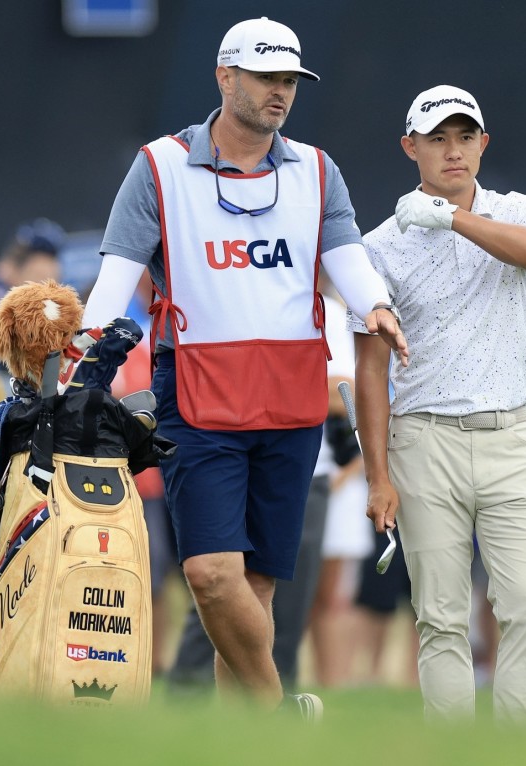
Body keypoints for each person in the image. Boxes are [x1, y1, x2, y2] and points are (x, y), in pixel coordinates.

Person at [81, 17, 407, 717]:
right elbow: (115, 277)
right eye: (265, 76)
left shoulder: (318, 169)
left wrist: (374, 304)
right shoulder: (161, 165)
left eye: (289, 79)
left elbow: (346, 256)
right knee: (208, 573)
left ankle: (250, 742)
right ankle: (281, 712)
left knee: (256, 584)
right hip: (195, 392)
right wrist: (85, 360)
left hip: (292, 396)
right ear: (225, 76)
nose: (280, 92)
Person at [353, 84, 526, 724]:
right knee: (440, 618)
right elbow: (370, 368)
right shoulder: (380, 245)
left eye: (464, 137)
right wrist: (377, 476)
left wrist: (450, 219)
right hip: (424, 439)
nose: (453, 151)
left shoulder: (518, 209)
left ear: (483, 144)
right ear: (409, 147)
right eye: (437, 139)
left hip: (510, 435)